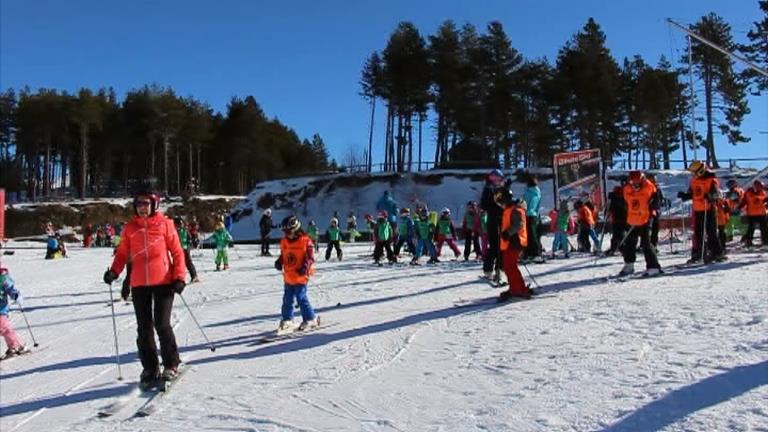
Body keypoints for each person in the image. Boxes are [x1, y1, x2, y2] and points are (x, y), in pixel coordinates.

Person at [102, 188, 186, 387]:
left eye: (146, 203)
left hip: (164, 281)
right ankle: (150, 367)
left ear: (154, 204)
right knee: (144, 328)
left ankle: (171, 364)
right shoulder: (130, 228)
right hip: (139, 283)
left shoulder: (165, 225)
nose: (142, 208)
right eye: (139, 203)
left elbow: (178, 252)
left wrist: (180, 276)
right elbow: (122, 254)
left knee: (162, 324)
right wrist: (114, 271)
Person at [274, 215, 318, 333]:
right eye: (285, 232)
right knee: (287, 299)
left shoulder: (305, 241)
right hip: (288, 276)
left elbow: (310, 258)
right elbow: (284, 254)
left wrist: (305, 267)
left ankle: (310, 318)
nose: (286, 234)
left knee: (301, 297)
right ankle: (287, 319)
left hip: (301, 276)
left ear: (296, 229)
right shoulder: (284, 242)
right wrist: (279, 261)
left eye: (289, 231)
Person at [677, 160, 724, 263]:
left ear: (700, 171)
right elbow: (692, 194)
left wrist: (711, 196)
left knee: (711, 233)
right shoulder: (694, 181)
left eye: (693, 172)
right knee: (698, 234)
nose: (692, 174)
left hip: (709, 209)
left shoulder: (712, 180)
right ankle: (699, 254)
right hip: (698, 210)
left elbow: (717, 194)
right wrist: (684, 195)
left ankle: (717, 253)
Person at [619, 171, 662, 276]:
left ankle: (653, 267)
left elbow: (656, 200)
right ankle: (629, 264)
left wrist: (654, 204)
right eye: (633, 184)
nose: (635, 186)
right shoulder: (627, 190)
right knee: (630, 243)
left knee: (646, 243)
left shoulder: (649, 187)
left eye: (638, 183)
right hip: (633, 220)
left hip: (645, 219)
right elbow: (625, 202)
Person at [497, 191, 534, 301]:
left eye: (501, 203)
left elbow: (518, 225)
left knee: (510, 267)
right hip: (510, 243)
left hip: (515, 242)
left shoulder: (515, 210)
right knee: (508, 267)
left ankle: (518, 290)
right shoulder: (509, 210)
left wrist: (507, 233)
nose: (500, 205)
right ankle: (516, 288)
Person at [480, 169, 505, 279]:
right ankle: (488, 269)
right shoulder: (488, 189)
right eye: (495, 179)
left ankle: (500, 269)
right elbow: (484, 205)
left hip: (502, 219)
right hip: (493, 219)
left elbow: (506, 202)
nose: (497, 181)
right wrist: (495, 206)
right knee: (494, 245)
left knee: (502, 245)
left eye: (499, 179)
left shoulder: (501, 189)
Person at [0, 267, 29, 359]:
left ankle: (16, 346)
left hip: (1, 308)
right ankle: (17, 346)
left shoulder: (3, 277)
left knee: (4, 327)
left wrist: (15, 295)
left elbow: (10, 288)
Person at [739, 180, 768, 247]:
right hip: (752, 213)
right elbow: (744, 201)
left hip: (761, 213)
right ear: (755, 186)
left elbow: (765, 201)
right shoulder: (748, 192)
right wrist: (739, 207)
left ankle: (765, 241)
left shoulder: (763, 192)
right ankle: (748, 241)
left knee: (764, 228)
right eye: (759, 186)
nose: (760, 187)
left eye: (761, 186)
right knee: (751, 229)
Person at [522, 173, 542, 262]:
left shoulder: (534, 192)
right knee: (527, 235)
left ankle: (536, 254)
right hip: (526, 215)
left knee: (532, 235)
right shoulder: (528, 191)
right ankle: (528, 253)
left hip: (531, 215)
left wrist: (528, 210)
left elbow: (533, 204)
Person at [174, 216, 199, 283]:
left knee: (188, 262)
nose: (179, 226)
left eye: (180, 224)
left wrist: (190, 243)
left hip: (185, 248)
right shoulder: (174, 231)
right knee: (178, 263)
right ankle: (177, 278)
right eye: (177, 225)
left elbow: (189, 238)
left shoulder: (185, 230)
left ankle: (194, 276)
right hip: (177, 249)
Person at [606, 185, 628, 256]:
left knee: (619, 235)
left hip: (621, 219)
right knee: (618, 235)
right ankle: (619, 248)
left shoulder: (619, 199)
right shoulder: (616, 199)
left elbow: (611, 208)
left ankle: (620, 248)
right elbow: (610, 208)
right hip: (619, 219)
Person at [647, 174, 664, 250]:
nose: (654, 180)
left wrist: (663, 201)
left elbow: (660, 198)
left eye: (654, 179)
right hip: (648, 211)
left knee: (655, 229)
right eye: (652, 179)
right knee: (647, 229)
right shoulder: (647, 188)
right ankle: (645, 245)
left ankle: (654, 245)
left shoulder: (657, 188)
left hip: (656, 211)